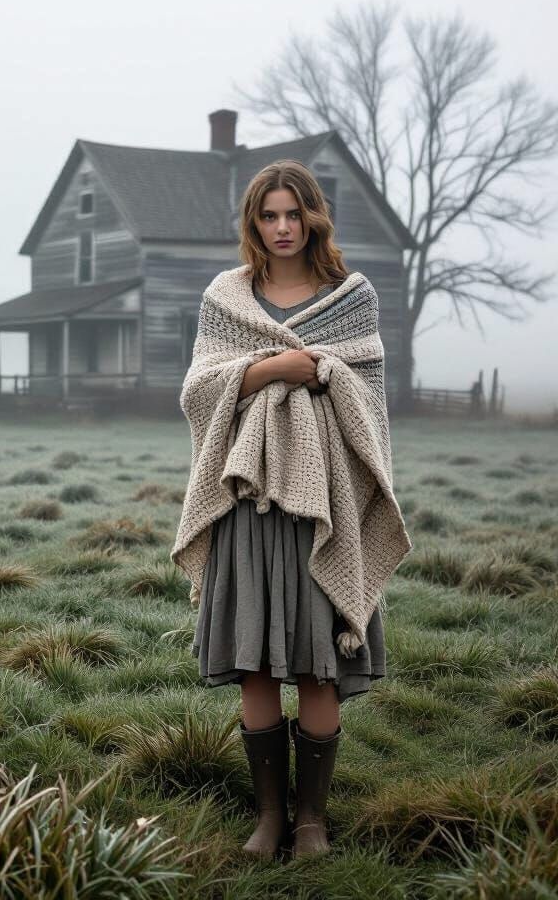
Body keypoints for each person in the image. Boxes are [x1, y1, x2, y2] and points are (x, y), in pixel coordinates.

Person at [188, 159, 388, 861]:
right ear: (253, 222)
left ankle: (311, 822)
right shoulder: (226, 297)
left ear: (313, 219)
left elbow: (366, 401)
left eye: (292, 215)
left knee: (315, 662)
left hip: (322, 510)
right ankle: (268, 817)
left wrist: (326, 371)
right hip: (246, 502)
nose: (280, 228)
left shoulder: (350, 297)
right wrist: (275, 369)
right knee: (253, 663)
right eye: (268, 215)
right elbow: (198, 391)